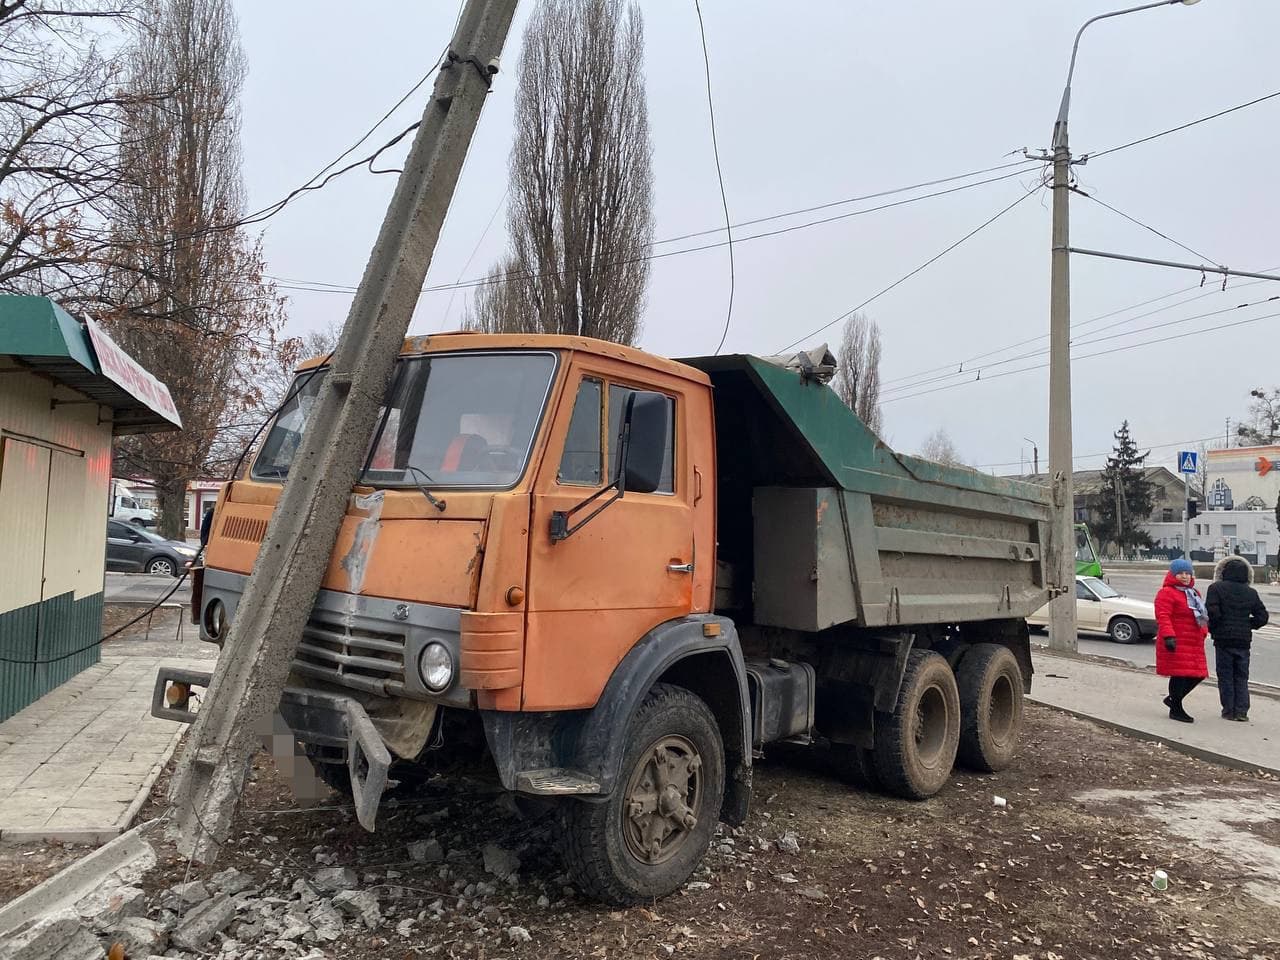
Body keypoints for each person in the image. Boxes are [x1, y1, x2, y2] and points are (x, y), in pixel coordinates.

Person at [1206, 556, 1270, 721]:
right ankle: (1242, 711)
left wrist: (1216, 627)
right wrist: (1248, 624)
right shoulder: (1251, 592)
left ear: (1224, 572)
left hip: (1223, 639)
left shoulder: (1216, 588)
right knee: (1241, 676)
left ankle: (1228, 710)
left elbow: (1213, 613)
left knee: (1225, 675)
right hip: (1243, 640)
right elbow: (1262, 616)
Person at [1154, 558, 1209, 723]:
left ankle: (1172, 700)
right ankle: (1176, 708)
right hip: (1176, 639)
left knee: (1197, 674)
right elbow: (1163, 616)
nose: (1185, 576)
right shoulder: (1166, 593)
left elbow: (1201, 614)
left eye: (1187, 573)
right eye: (1180, 573)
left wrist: (1204, 631)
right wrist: (1169, 636)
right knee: (1179, 674)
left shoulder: (1194, 593)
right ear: (1173, 574)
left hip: (1193, 641)